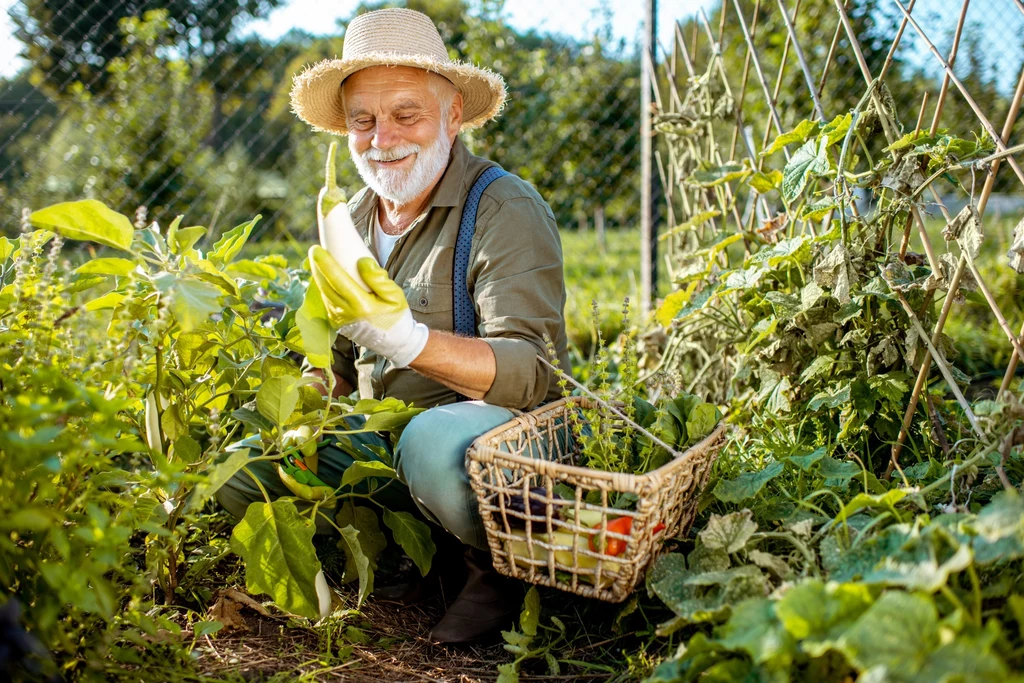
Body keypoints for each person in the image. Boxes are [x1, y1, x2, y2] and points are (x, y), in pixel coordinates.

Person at [216, 7, 570, 644]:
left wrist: (407, 341)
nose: (383, 138)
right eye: (364, 120)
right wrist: (309, 403)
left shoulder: (502, 207)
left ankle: (500, 568)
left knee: (431, 444)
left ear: (452, 115)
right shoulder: (348, 217)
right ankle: (394, 552)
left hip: (492, 449)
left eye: (406, 114)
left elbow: (533, 373)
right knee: (245, 467)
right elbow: (335, 364)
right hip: (383, 444)